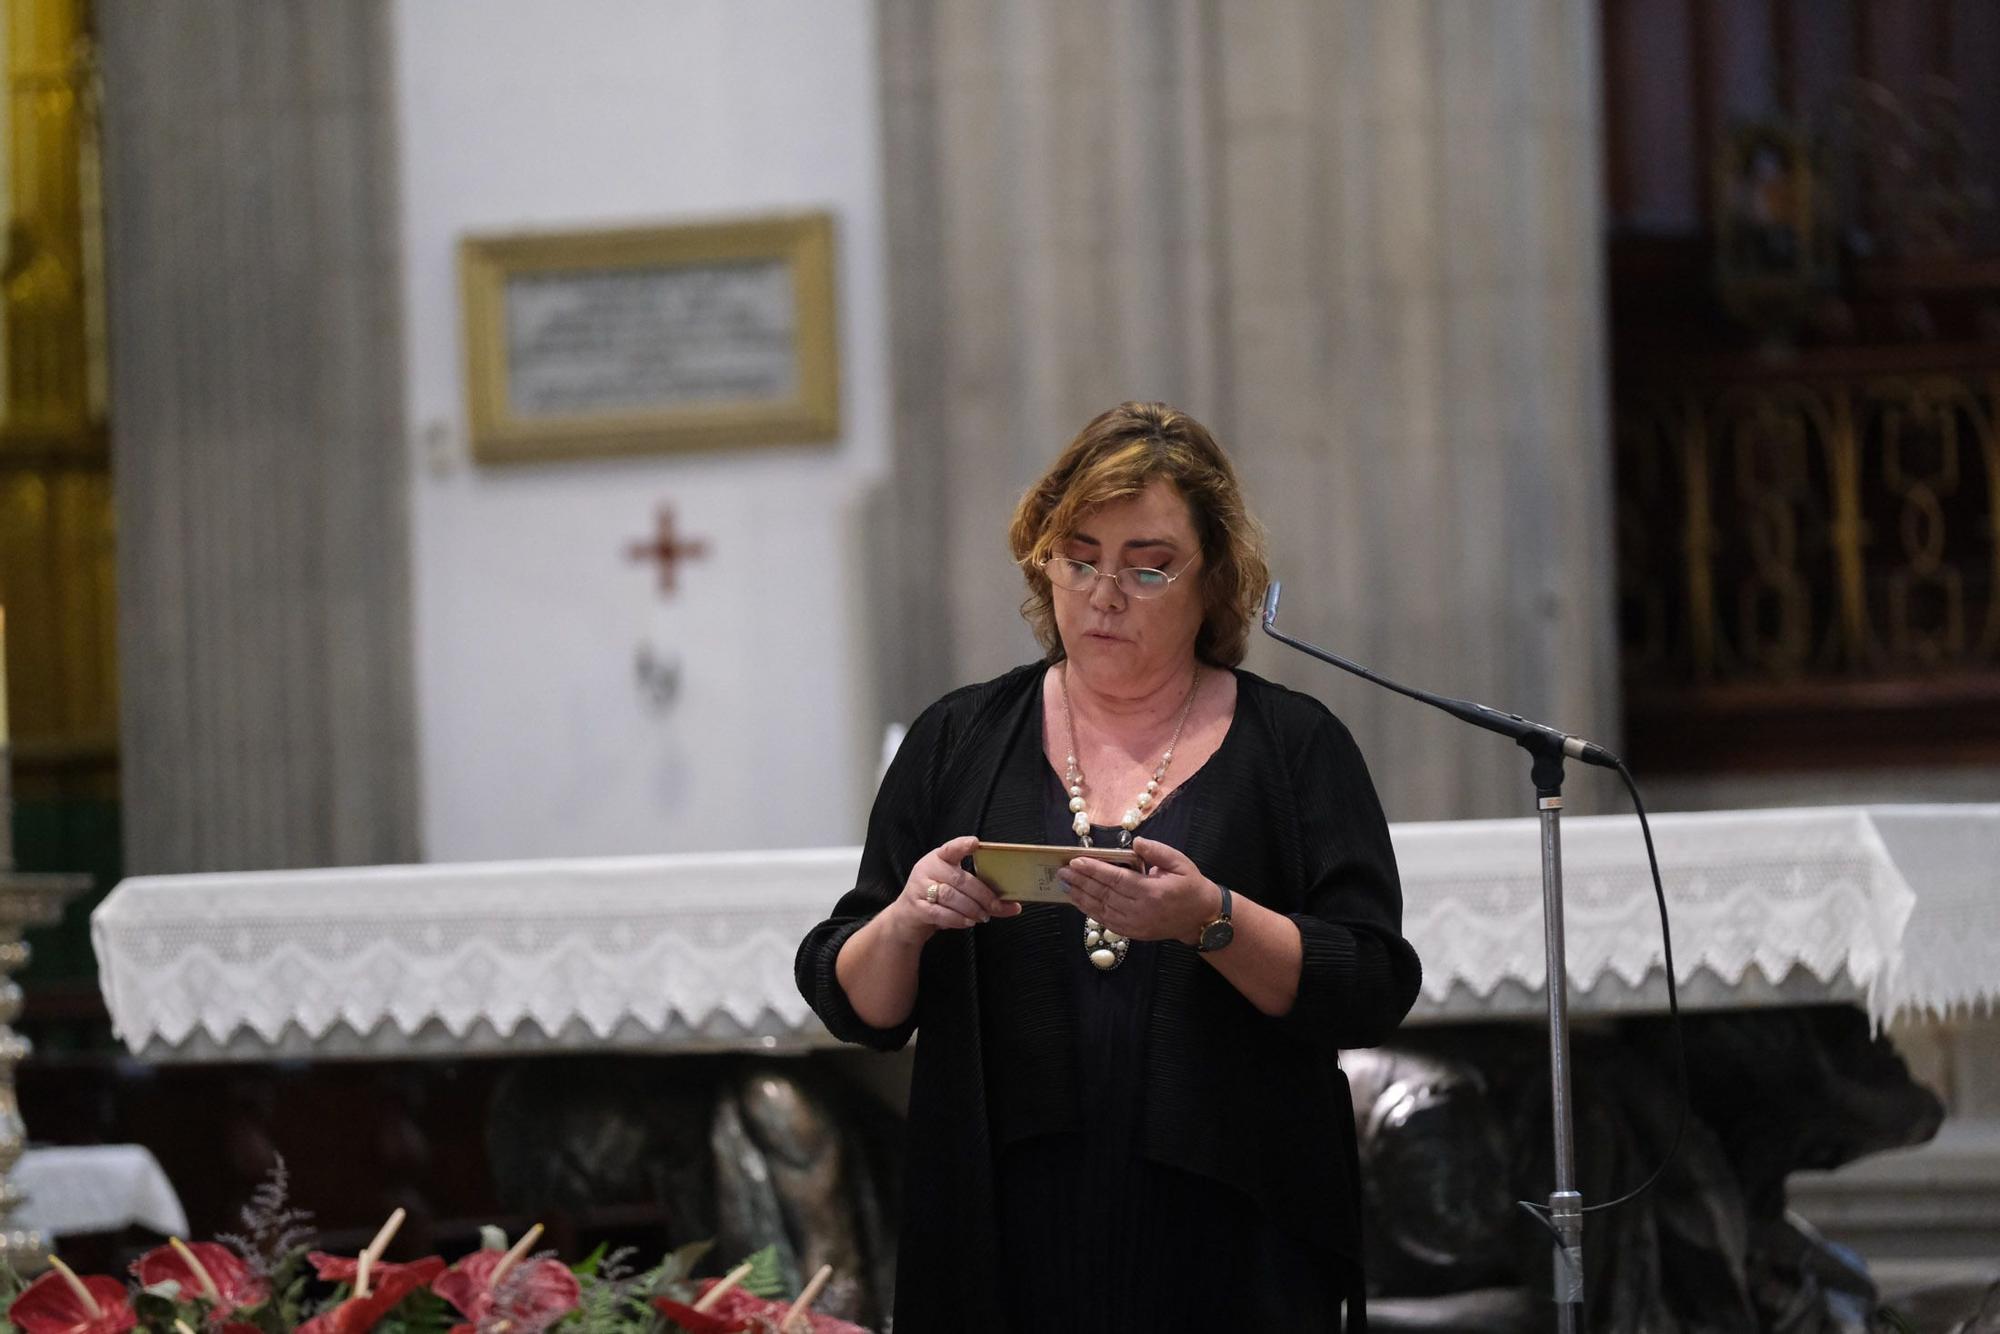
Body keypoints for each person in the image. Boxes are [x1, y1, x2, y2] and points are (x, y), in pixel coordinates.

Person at [795, 402, 1421, 1332]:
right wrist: (908, 918)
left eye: (1147, 566)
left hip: (1232, 1230)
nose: (1103, 592)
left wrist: (1210, 919)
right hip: (1002, 1232)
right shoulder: (958, 739)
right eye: (1077, 556)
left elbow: (1371, 984)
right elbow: (857, 1005)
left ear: (1214, 581)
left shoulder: (1295, 749)